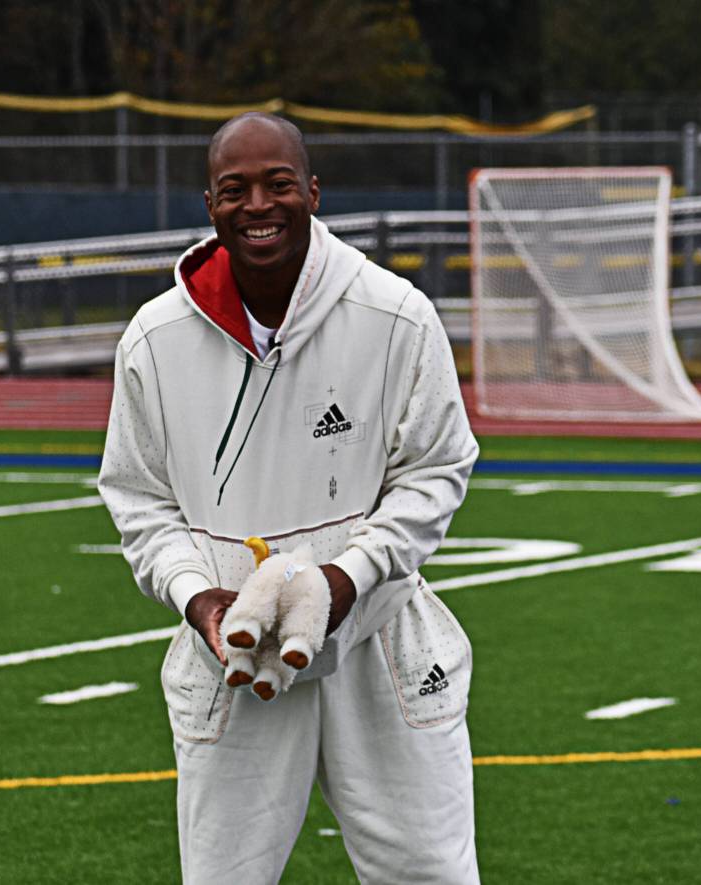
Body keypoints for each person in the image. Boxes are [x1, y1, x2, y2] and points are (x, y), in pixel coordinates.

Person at [98, 112, 480, 884]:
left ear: (313, 191)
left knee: (430, 874)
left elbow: (437, 468)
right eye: (234, 189)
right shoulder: (153, 339)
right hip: (234, 658)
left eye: (278, 184)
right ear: (210, 203)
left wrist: (348, 578)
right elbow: (138, 498)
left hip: (380, 645)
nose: (258, 205)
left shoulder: (396, 314)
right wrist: (197, 596)